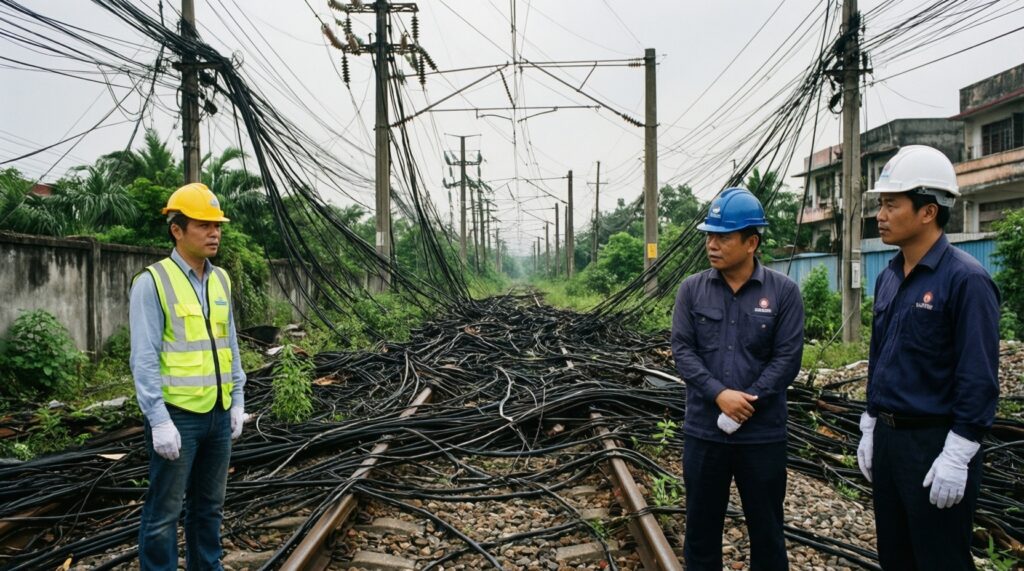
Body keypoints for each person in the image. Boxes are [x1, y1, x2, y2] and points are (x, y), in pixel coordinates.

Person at [856, 145, 1000, 570]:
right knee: (896, 556)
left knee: (940, 559)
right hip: (890, 441)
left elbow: (978, 376)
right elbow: (879, 354)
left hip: (934, 446)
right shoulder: (888, 276)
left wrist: (957, 453)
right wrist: (870, 423)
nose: (880, 215)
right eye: (881, 204)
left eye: (891, 204)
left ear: (928, 211)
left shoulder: (966, 280)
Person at [671, 187, 804, 571]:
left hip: (761, 437)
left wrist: (745, 402)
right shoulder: (692, 290)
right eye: (709, 236)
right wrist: (719, 395)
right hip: (705, 432)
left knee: (767, 532)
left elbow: (787, 359)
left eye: (723, 237)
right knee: (700, 532)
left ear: (751, 243)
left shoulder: (784, 293)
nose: (712, 245)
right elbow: (683, 350)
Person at [130, 182, 247, 570]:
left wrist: (237, 400)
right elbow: (144, 358)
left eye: (217, 226)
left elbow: (230, 343)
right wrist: (159, 420)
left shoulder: (221, 279)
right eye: (204, 225)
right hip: (178, 416)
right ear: (177, 230)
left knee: (209, 507)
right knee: (164, 512)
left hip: (218, 413)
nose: (214, 233)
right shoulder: (153, 282)